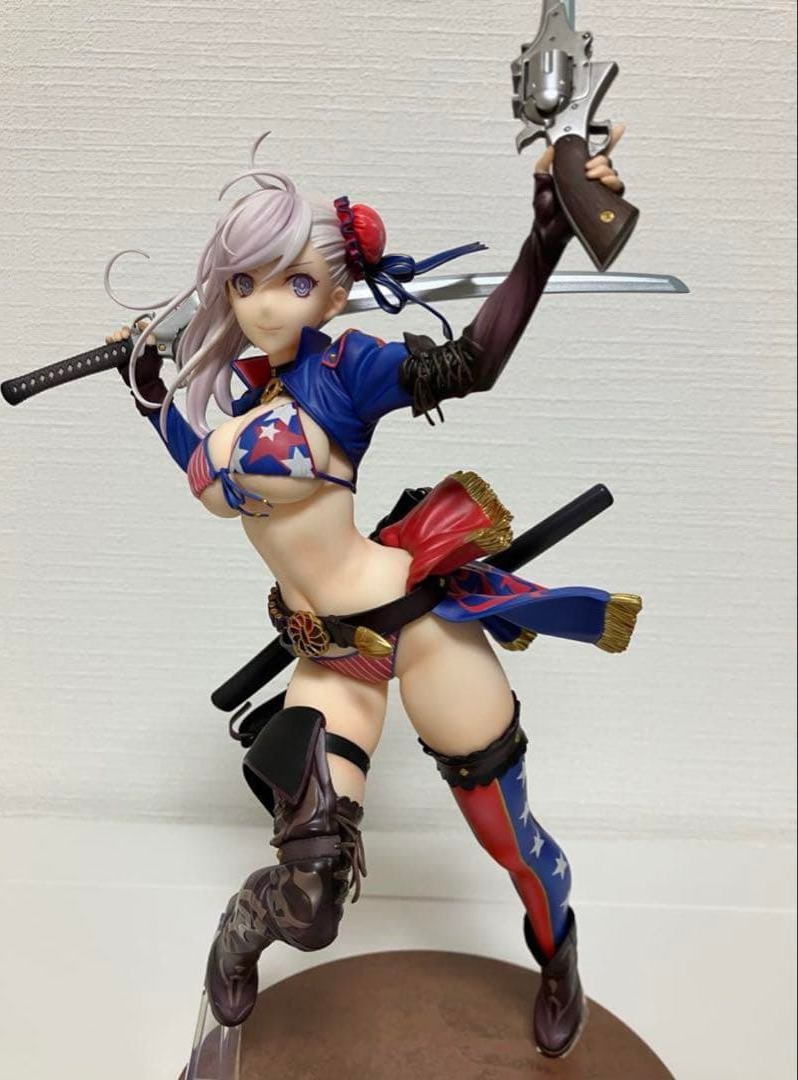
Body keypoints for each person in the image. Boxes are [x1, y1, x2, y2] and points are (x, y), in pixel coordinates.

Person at [107, 130, 638, 1058]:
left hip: (418, 632)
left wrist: (544, 237)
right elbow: (202, 466)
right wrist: (149, 391)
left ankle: (559, 955)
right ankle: (241, 928)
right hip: (330, 655)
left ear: (334, 293)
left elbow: (469, 364)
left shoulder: (345, 371)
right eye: (244, 281)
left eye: (293, 281)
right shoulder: (241, 395)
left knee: (510, 840)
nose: (262, 303)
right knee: (311, 893)